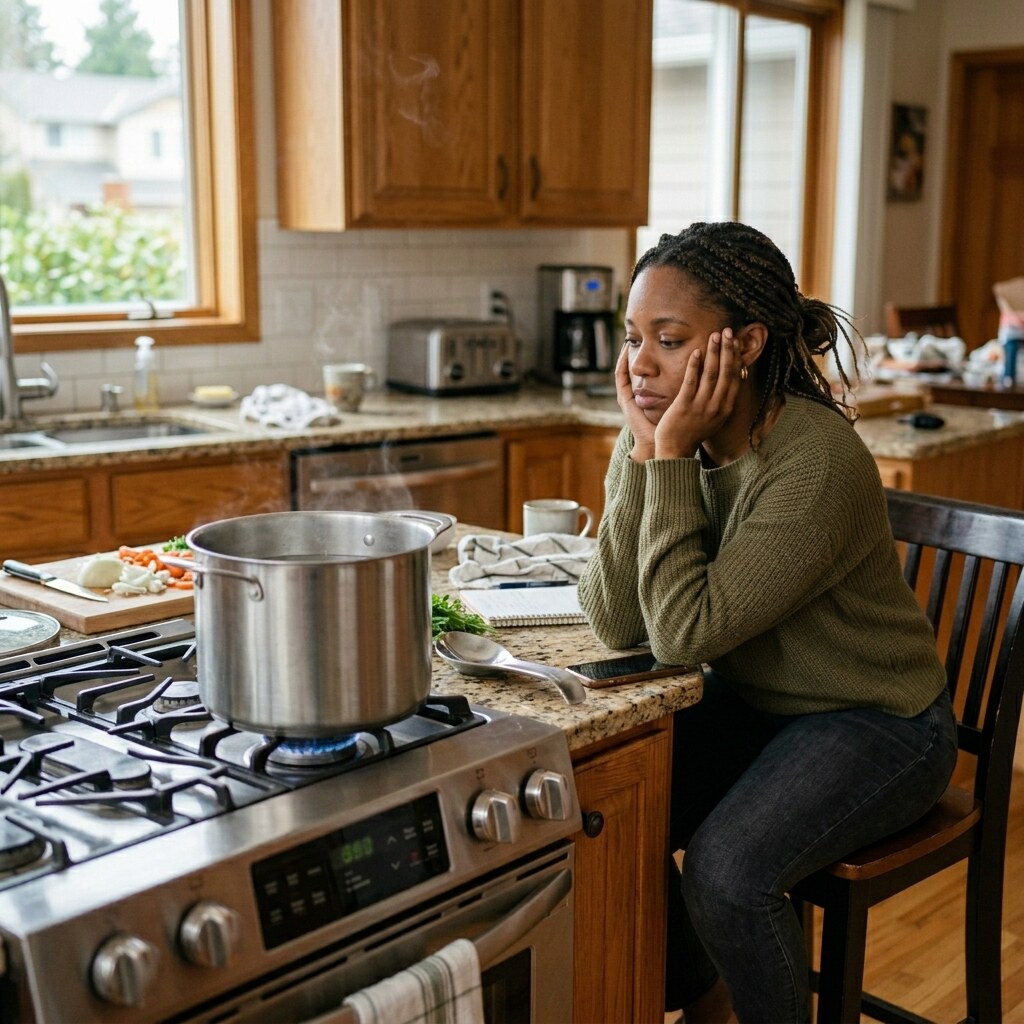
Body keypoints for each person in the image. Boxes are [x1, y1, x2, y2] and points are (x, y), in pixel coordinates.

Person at [577, 221, 957, 1023]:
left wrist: (668, 454)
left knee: (727, 874)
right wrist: (646, 455)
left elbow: (683, 636)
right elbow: (616, 621)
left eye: (669, 340)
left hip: (880, 721)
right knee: (607, 811)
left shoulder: (815, 460)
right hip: (762, 706)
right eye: (633, 337)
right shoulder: (662, 434)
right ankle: (708, 1001)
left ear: (745, 344)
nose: (639, 364)